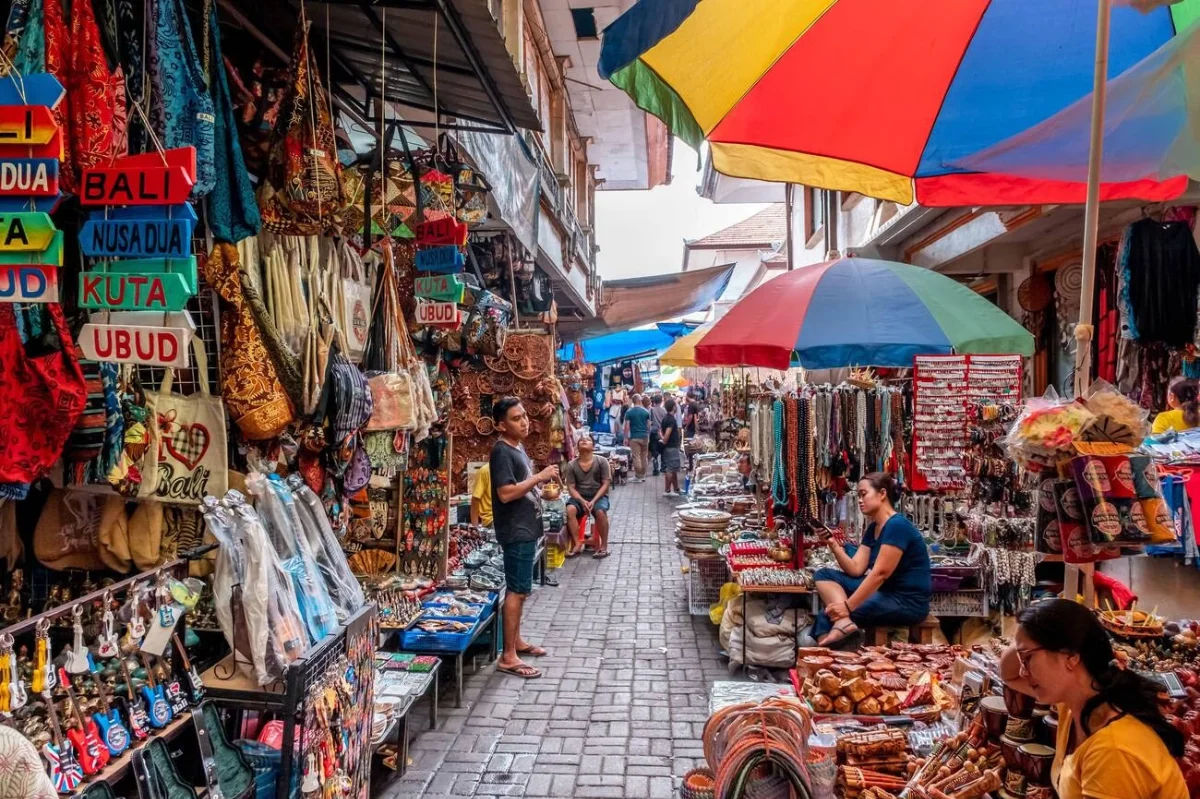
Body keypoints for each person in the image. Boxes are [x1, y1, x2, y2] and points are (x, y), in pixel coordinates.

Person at [1000, 598, 1186, 799]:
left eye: (1027, 659)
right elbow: (1008, 674)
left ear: (1071, 657)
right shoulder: (1072, 705)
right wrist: (1029, 624)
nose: (1022, 671)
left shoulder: (1113, 752)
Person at [811, 472, 931, 647]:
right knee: (824, 575)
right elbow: (856, 569)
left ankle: (829, 654)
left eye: (863, 494)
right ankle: (842, 625)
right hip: (885, 593)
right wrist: (833, 544)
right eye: (858, 495)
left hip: (906, 601)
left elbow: (880, 574)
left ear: (882, 494)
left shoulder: (897, 526)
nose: (860, 500)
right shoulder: (874, 527)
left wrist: (848, 606)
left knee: (826, 615)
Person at [490, 397, 558, 679]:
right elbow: (505, 493)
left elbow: (520, 488)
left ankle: (515, 642)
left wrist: (539, 491)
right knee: (516, 591)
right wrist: (539, 477)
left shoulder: (517, 449)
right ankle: (508, 656)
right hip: (516, 530)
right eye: (516, 418)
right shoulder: (502, 452)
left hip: (527, 527)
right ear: (500, 425)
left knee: (522, 589)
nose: (524, 421)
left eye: (524, 416)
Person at [564, 432, 612, 558]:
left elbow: (606, 483)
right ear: (577, 447)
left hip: (598, 496)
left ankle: (604, 547)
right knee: (570, 510)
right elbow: (571, 487)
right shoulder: (571, 465)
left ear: (593, 446)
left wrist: (593, 501)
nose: (584, 441)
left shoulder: (602, 461)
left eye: (588, 440)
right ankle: (577, 543)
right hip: (580, 497)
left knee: (601, 512)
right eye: (581, 440)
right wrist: (582, 501)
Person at [624, 393, 651, 482]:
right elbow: (648, 426)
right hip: (644, 436)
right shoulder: (646, 412)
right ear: (640, 401)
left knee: (636, 456)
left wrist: (625, 437)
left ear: (633, 401)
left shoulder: (629, 412)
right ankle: (643, 475)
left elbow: (627, 426)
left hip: (634, 437)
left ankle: (638, 476)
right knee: (644, 456)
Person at [660, 398, 684, 496]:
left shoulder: (666, 418)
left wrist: (662, 438)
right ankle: (667, 491)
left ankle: (676, 488)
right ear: (673, 407)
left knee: (673, 469)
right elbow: (666, 435)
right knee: (670, 469)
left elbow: (662, 432)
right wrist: (663, 439)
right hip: (671, 447)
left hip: (670, 447)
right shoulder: (671, 420)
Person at [649, 394, 666, 476]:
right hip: (662, 433)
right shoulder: (664, 410)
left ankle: (656, 469)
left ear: (654, 401)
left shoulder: (651, 410)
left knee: (654, 451)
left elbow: (650, 421)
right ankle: (663, 467)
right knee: (663, 451)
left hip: (654, 433)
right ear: (661, 401)